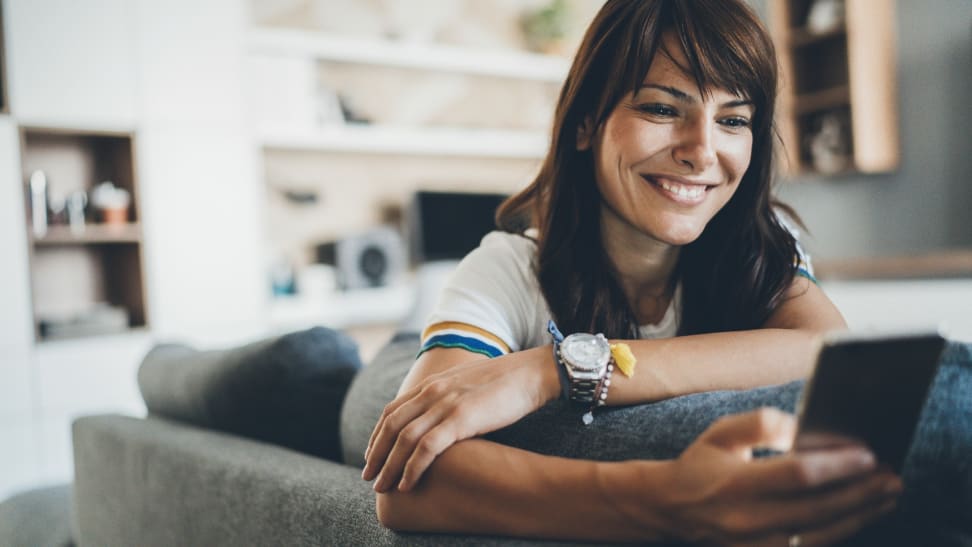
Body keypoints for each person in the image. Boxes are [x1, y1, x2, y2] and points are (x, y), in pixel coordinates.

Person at [362, 0, 904, 544]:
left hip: (518, 360)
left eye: (733, 120)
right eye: (663, 109)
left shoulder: (760, 249)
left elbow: (826, 350)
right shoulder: (507, 267)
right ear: (585, 124)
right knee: (347, 384)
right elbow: (407, 483)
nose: (702, 151)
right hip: (402, 363)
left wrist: (549, 372)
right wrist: (671, 499)